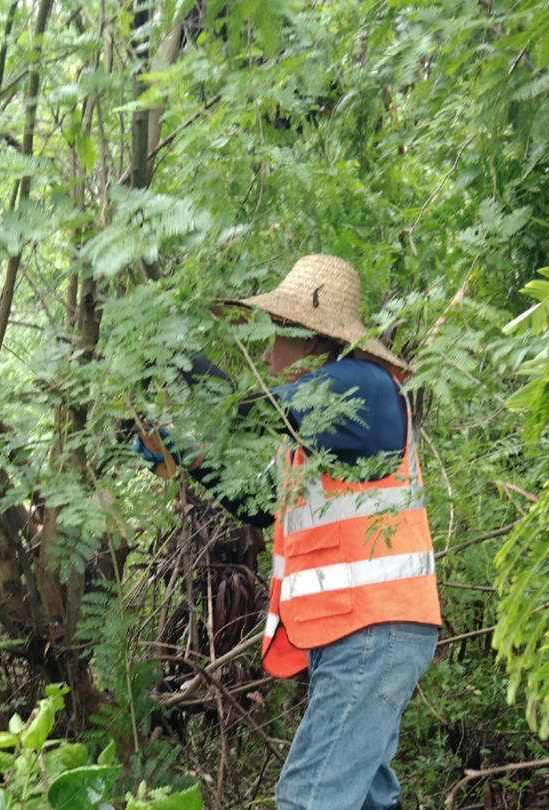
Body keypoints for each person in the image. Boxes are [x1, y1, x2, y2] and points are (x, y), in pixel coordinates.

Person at [136, 254, 441, 810]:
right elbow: (258, 507)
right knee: (368, 796)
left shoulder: (360, 386)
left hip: (374, 626)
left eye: (276, 336)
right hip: (359, 627)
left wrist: (182, 356)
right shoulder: (315, 422)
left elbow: (248, 411)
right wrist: (185, 454)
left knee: (310, 797)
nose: (265, 354)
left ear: (309, 337)